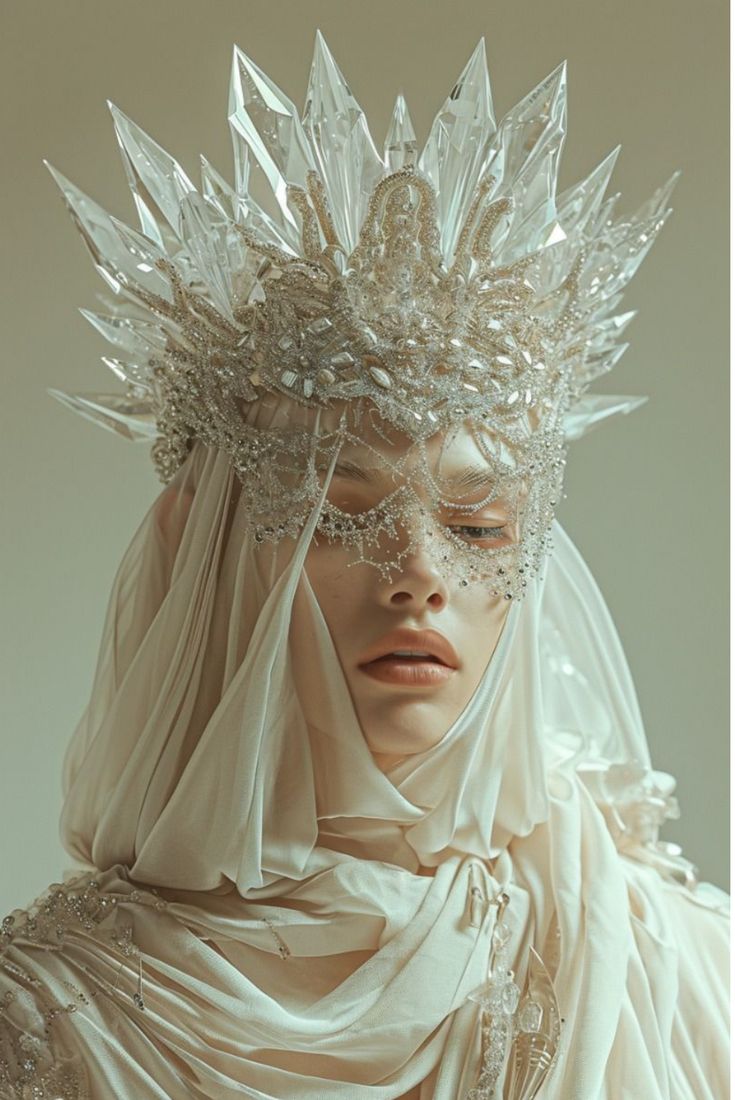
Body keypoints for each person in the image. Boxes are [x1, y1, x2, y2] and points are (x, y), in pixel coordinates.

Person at [0, 31, 728, 1100]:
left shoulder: (671, 965)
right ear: (204, 558)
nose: (419, 575)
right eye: (336, 515)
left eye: (479, 530)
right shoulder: (48, 1021)